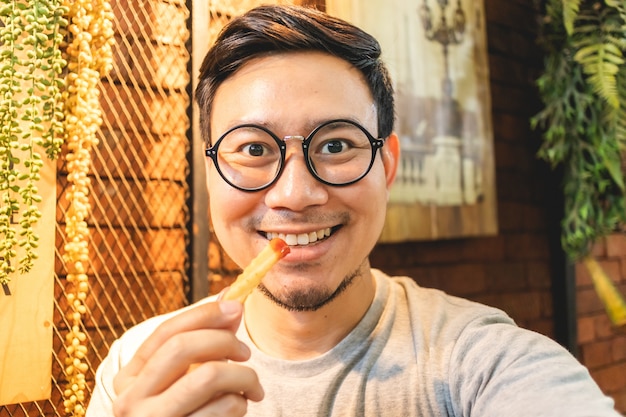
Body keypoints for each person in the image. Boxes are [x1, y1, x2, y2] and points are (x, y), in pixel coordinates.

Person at [86, 4, 621, 417]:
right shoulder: (140, 370)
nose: (294, 194)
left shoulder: (477, 363)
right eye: (252, 149)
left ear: (386, 165)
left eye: (336, 145)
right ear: (210, 174)